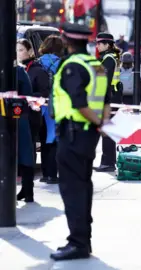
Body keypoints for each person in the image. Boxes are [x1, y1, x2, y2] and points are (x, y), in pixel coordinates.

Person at [49, 22, 110, 261]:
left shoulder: (72, 66)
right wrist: (103, 124)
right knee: (84, 186)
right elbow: (106, 99)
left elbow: (79, 103)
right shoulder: (97, 65)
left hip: (73, 134)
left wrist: (96, 122)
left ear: (66, 41)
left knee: (72, 189)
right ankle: (84, 239)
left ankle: (77, 243)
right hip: (88, 136)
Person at [17, 39, 50, 174]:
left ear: (30, 51)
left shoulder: (37, 70)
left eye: (21, 50)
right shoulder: (15, 69)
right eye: (16, 50)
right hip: (15, 113)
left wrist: (28, 96)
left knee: (28, 144)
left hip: (31, 115)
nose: (17, 53)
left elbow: (44, 93)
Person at [38, 35, 64, 184]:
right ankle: (53, 175)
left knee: (43, 138)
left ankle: (45, 173)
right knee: (54, 138)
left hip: (39, 105)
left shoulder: (39, 62)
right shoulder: (61, 64)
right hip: (57, 105)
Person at [94, 32, 121, 172]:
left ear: (107, 44)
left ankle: (108, 162)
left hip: (109, 100)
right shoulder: (109, 58)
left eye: (99, 43)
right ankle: (108, 161)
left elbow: (103, 82)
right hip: (112, 98)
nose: (97, 46)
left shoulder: (108, 59)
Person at [16, 66, 35, 202]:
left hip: (17, 116)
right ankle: (28, 190)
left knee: (24, 152)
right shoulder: (18, 71)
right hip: (19, 115)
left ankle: (27, 190)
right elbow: (28, 94)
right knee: (24, 153)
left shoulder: (18, 71)